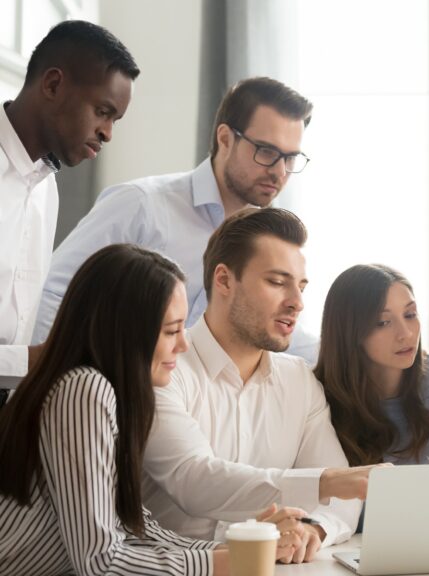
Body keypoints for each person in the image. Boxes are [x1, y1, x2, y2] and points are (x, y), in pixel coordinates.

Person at [0, 244, 308, 575]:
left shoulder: (113, 395)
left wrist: (239, 549)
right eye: (171, 330)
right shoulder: (85, 389)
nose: (184, 344)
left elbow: (136, 528)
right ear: (125, 330)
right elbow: (101, 562)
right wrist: (225, 562)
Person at [32, 76, 319, 363]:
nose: (280, 171)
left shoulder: (268, 247)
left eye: (291, 158)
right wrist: (53, 388)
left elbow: (287, 337)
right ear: (225, 139)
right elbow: (55, 293)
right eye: (267, 152)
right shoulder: (141, 205)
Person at [142, 207, 371, 564]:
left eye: (301, 286)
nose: (296, 302)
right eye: (278, 282)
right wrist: (324, 483)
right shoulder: (163, 368)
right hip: (178, 568)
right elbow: (194, 480)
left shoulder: (299, 379)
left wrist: (313, 529)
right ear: (224, 280)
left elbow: (346, 496)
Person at [0, 20, 138, 401]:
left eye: (115, 120)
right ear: (53, 85)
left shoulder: (47, 189)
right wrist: (33, 362)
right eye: (103, 111)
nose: (108, 132)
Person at [315, 264, 429, 466]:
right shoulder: (317, 397)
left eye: (410, 315)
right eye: (383, 322)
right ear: (349, 332)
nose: (406, 334)